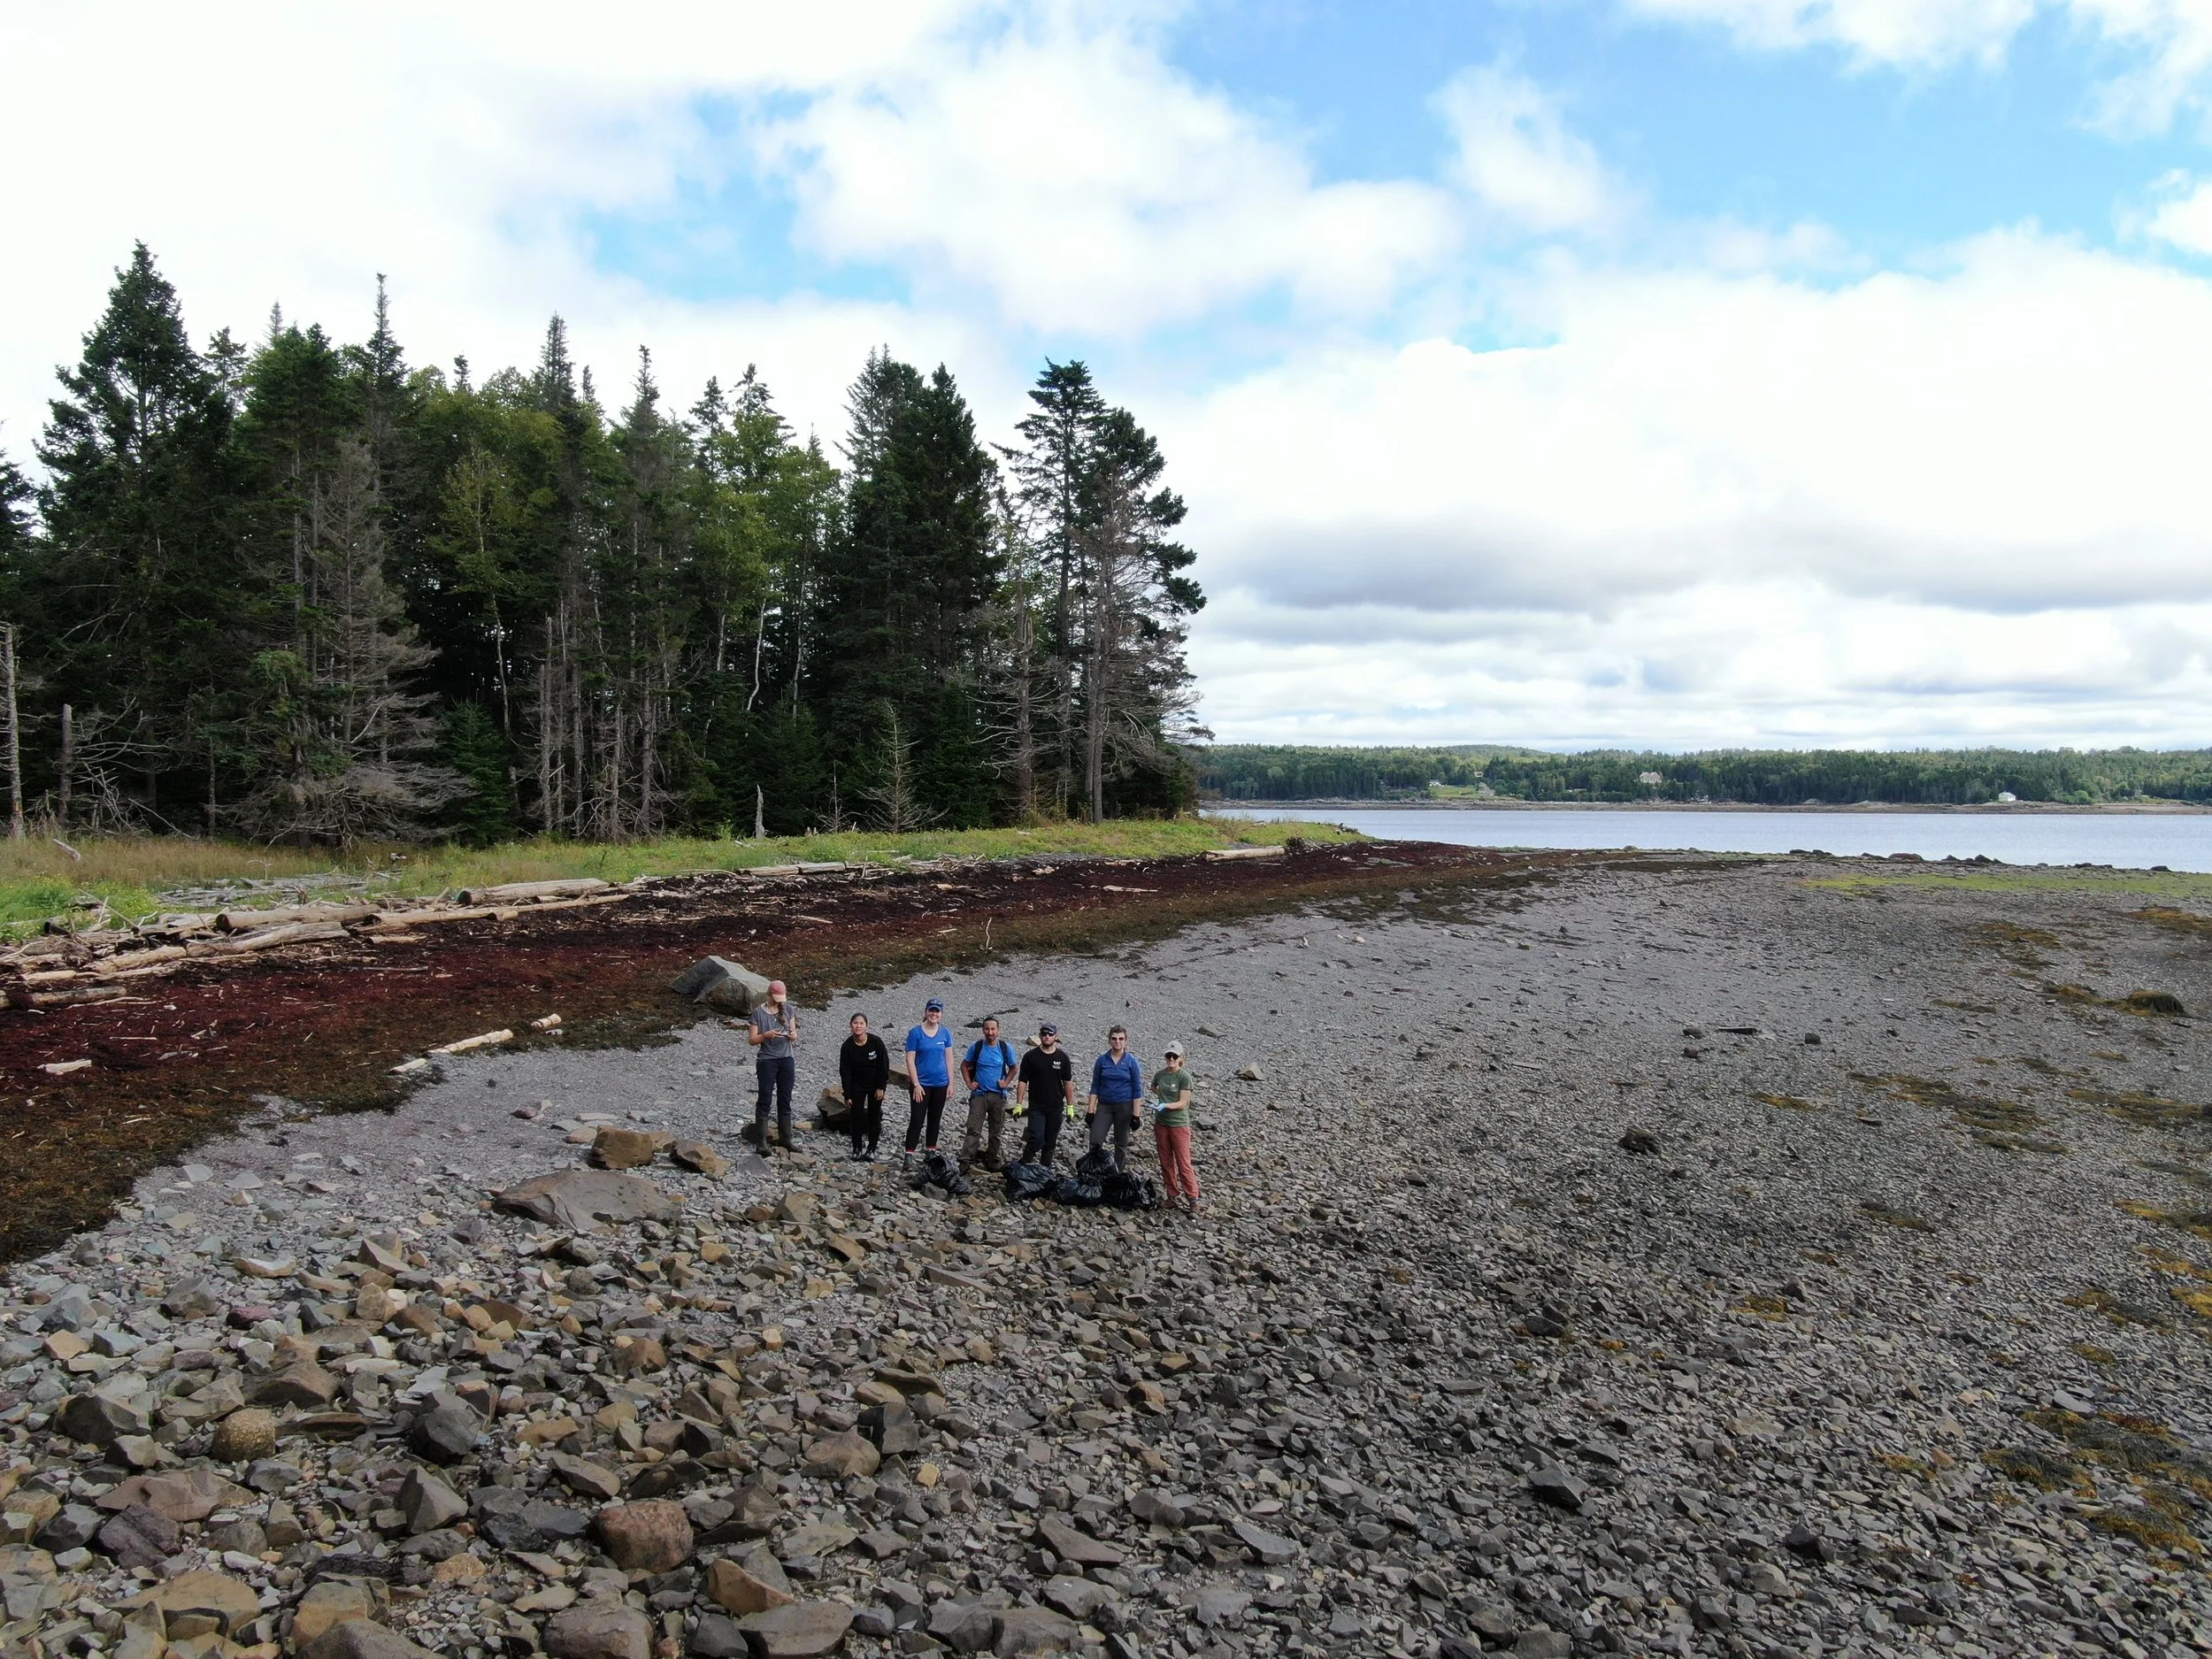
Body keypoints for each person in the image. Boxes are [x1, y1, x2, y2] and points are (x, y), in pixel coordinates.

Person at [902, 998, 956, 1170]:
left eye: (937, 1011)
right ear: (926, 1012)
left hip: (940, 1083)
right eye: (931, 1010)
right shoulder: (915, 1033)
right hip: (921, 1084)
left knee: (935, 1118)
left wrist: (951, 1083)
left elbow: (949, 1058)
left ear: (941, 1014)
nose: (934, 1014)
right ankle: (909, 1154)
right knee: (917, 1119)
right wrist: (916, 1084)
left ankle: (930, 1150)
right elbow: (910, 1060)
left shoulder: (945, 1033)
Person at [1015, 1022, 1076, 1169]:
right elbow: (1022, 1081)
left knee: (1050, 1142)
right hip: (1037, 1106)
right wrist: (1018, 1104)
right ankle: (1023, 1166)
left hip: (1056, 1107)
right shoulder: (1030, 1057)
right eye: (1044, 1034)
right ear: (1040, 1036)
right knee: (1036, 1138)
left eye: (1050, 1034)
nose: (1047, 1036)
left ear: (1056, 1037)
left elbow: (1067, 1083)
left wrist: (1070, 1106)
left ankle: (1045, 1171)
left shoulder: (1063, 1058)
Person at [960, 1017, 1018, 1172]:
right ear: (983, 1030)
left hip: (998, 1095)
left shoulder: (1005, 1048)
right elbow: (964, 1065)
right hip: (979, 1094)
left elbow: (1013, 1068)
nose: (990, 1032)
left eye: (993, 1029)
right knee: (973, 1129)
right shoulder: (977, 1047)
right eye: (987, 1029)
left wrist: (1006, 1082)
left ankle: (993, 1159)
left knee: (996, 1131)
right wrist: (969, 1083)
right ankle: (966, 1159)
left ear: (998, 1030)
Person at [747, 979, 798, 1153]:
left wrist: (792, 1036)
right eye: (776, 998)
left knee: (785, 1098)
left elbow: (794, 1033)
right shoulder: (758, 1013)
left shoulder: (789, 1009)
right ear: (769, 995)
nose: (779, 1001)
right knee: (765, 1097)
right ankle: (762, 1142)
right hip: (767, 1060)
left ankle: (786, 1139)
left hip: (786, 1058)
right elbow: (752, 1040)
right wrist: (766, 1035)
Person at [1086, 1024, 1145, 1171]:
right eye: (1114, 1038)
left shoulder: (1131, 1061)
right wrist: (1090, 1110)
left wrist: (1136, 1115)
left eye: (1121, 1039)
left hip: (1124, 1106)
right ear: (1109, 1040)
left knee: (1121, 1143)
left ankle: (1117, 1174)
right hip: (1104, 1105)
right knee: (1096, 1140)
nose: (1117, 1042)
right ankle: (1095, 1170)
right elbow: (1095, 1085)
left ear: (1126, 1041)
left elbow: (1137, 1090)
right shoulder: (1102, 1060)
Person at [1151, 1041, 1201, 1214]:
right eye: (1168, 1056)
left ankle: (1192, 1198)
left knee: (1183, 1162)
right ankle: (1171, 1196)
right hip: (1161, 1123)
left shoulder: (1184, 1077)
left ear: (1181, 1058)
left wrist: (1165, 1105)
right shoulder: (1160, 1075)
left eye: (1174, 1056)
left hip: (1178, 1124)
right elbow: (1153, 1087)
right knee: (1166, 1161)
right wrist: (1160, 1098)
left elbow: (1182, 1103)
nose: (1171, 1059)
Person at [839, 1013, 890, 1162]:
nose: (858, 1026)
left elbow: (884, 1065)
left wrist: (882, 1087)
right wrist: (847, 1095)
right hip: (857, 1085)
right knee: (856, 1117)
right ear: (851, 1026)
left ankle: (872, 1149)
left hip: (875, 1084)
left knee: (874, 1116)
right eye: (855, 1023)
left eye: (861, 1023)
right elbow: (845, 1072)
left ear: (866, 1026)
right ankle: (856, 1147)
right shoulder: (847, 1046)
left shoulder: (876, 1042)